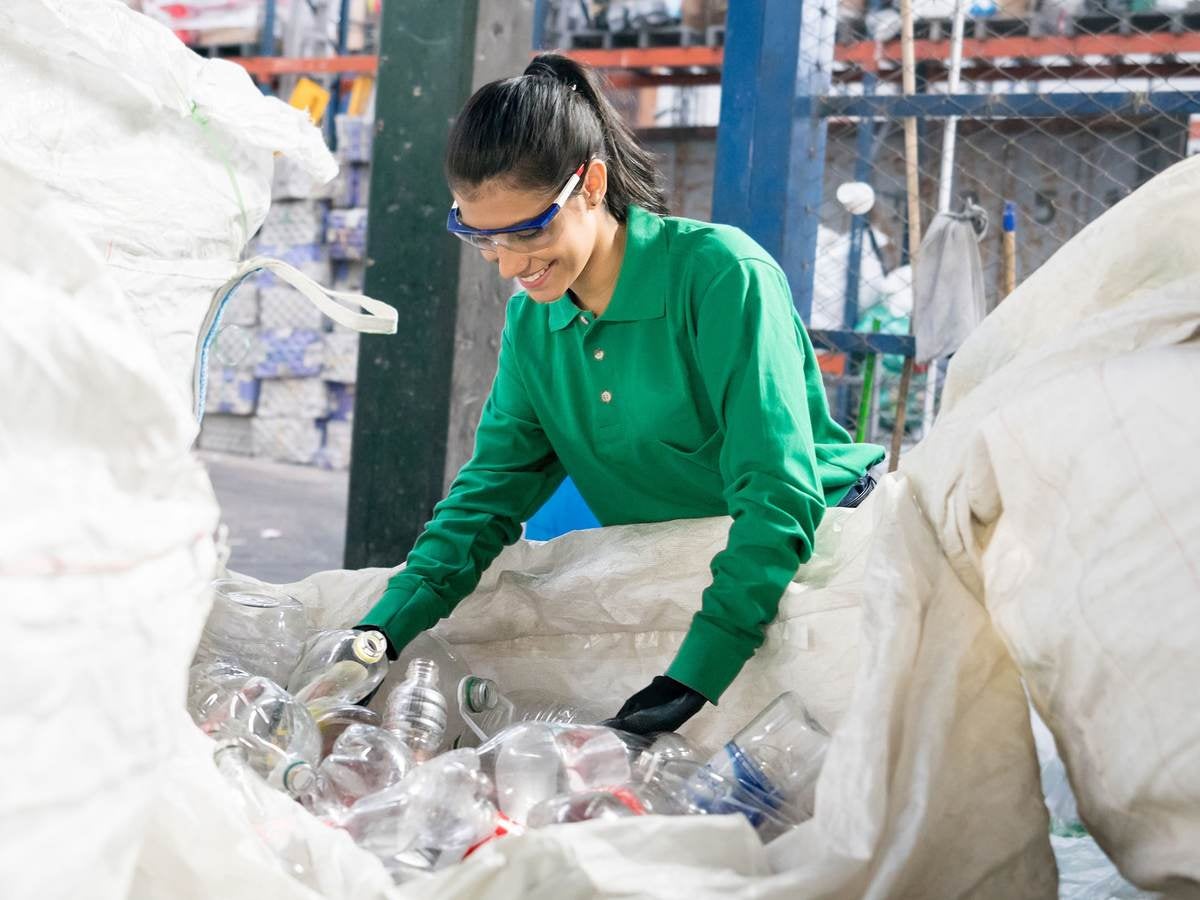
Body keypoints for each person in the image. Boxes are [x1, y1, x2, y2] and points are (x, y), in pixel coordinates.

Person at [358, 53, 885, 735]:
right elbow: (487, 495)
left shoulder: (721, 276)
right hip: (684, 567)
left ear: (592, 185)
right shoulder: (536, 320)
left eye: (530, 231)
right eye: (483, 240)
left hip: (812, 558)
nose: (512, 266)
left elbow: (775, 491)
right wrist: (380, 632)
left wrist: (698, 668)